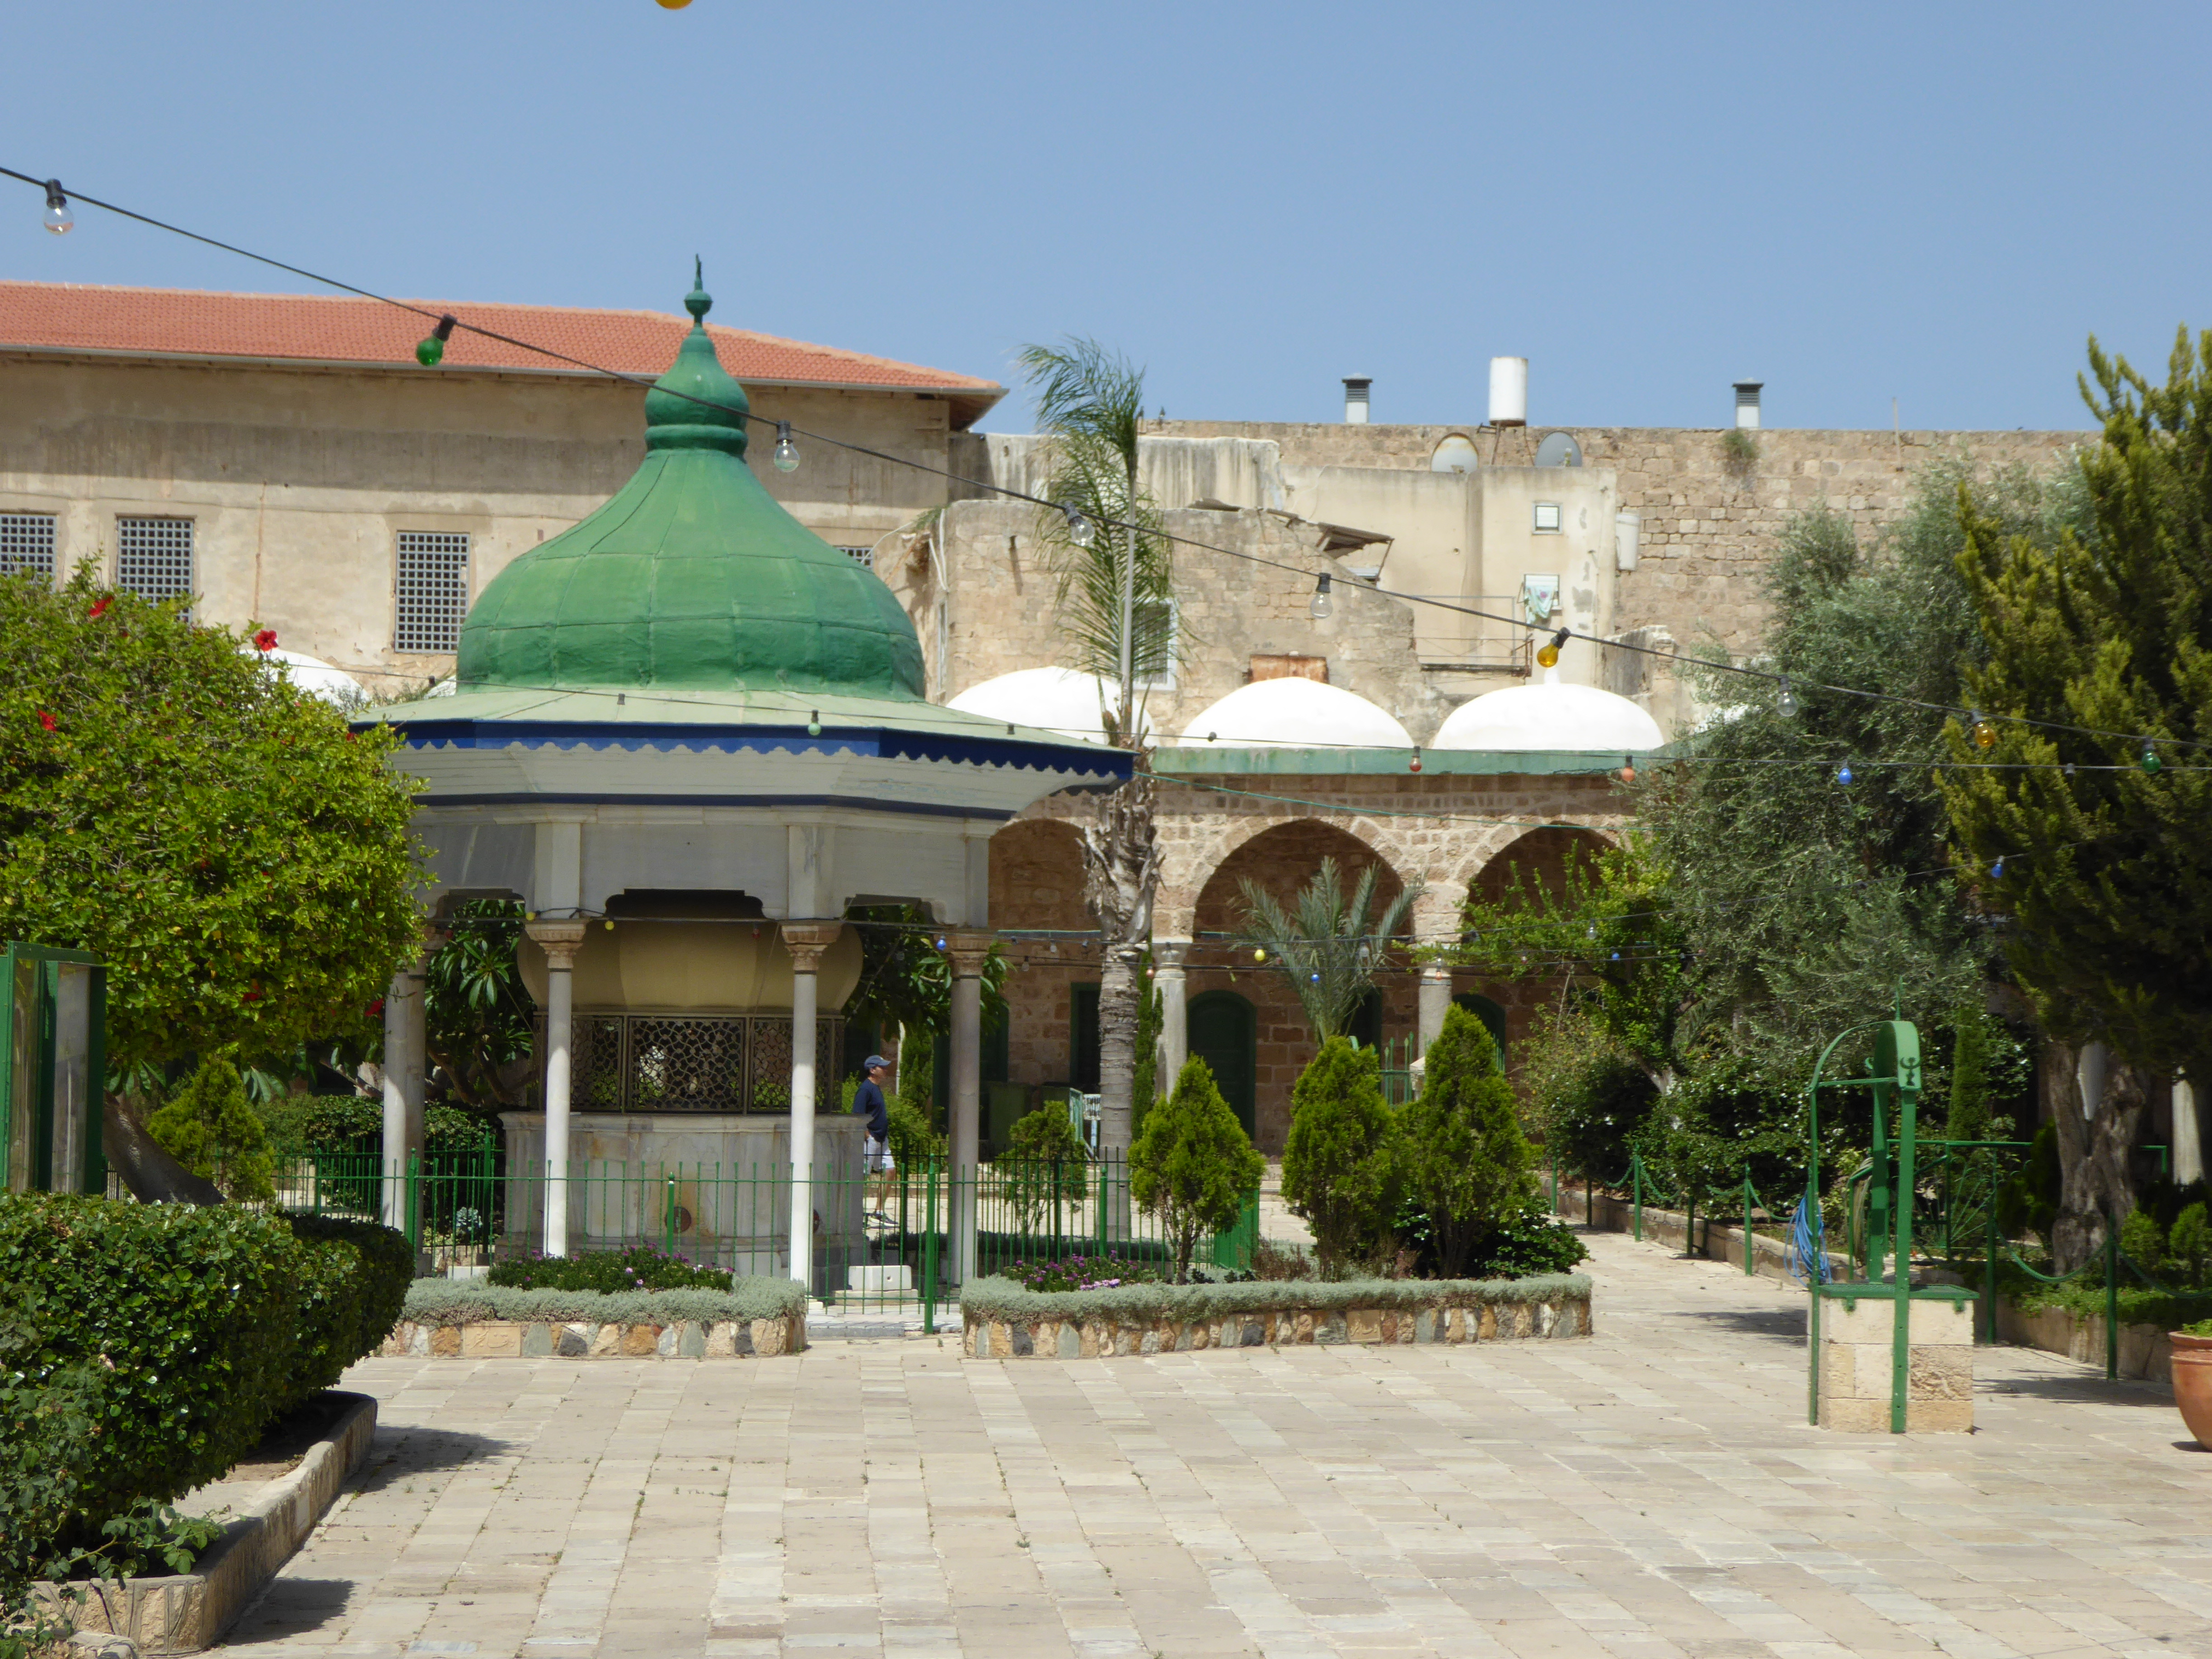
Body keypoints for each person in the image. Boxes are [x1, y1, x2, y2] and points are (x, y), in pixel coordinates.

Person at [853, 1055, 894, 1222]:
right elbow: (857, 1114)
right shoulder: (866, 1089)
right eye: (881, 1067)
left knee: (890, 1171)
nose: (885, 1070)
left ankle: (879, 1209)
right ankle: (856, 1213)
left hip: (882, 1139)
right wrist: (867, 1135)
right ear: (872, 1070)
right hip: (871, 1139)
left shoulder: (876, 1088)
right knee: (863, 1175)